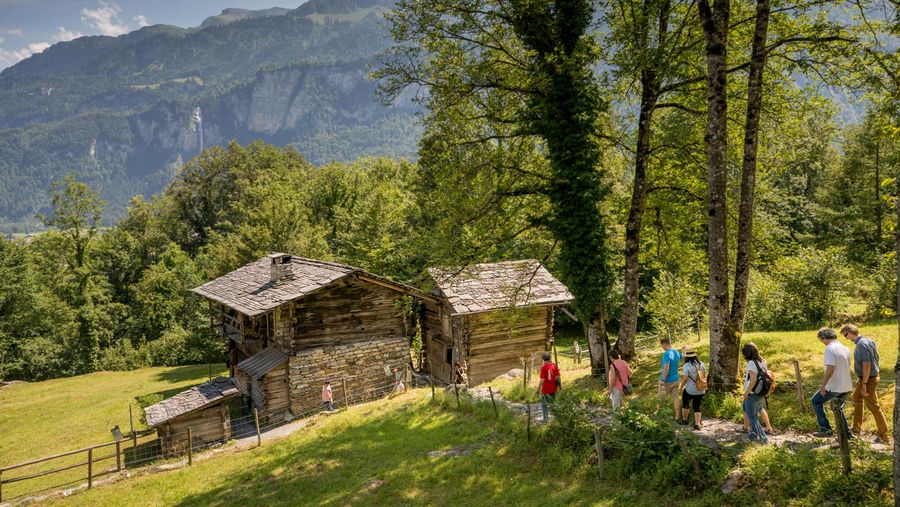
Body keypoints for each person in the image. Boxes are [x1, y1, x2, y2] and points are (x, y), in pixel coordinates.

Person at [841, 324, 889, 443]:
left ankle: (883, 435)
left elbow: (866, 365)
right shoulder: (868, 340)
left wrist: (864, 384)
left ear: (851, 332)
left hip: (868, 379)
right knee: (857, 397)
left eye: (846, 335)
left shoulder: (861, 345)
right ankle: (856, 429)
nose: (846, 338)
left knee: (873, 405)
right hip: (867, 377)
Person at [811, 327, 854, 438]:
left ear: (823, 338)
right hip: (846, 384)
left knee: (816, 401)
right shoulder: (845, 348)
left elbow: (830, 370)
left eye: (821, 340)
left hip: (834, 385)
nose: (822, 343)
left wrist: (823, 386)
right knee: (838, 408)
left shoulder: (830, 349)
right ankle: (847, 434)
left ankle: (825, 429)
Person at [741, 342, 768, 444]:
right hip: (760, 392)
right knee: (745, 407)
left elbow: (753, 379)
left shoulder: (751, 363)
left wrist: (747, 392)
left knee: (752, 417)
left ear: (747, 354)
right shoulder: (762, 361)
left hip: (752, 393)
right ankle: (753, 433)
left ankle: (763, 439)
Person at [678, 347, 707, 430]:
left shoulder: (686, 365)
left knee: (685, 403)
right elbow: (703, 376)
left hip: (690, 389)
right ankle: (697, 423)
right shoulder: (702, 364)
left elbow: (685, 379)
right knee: (697, 406)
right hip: (701, 389)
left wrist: (680, 388)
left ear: (687, 356)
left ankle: (684, 420)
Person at [657, 338, 682, 422]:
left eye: (662, 346)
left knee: (661, 398)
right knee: (675, 397)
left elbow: (666, 367)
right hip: (676, 379)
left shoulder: (666, 354)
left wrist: (663, 379)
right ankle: (677, 416)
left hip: (667, 380)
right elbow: (682, 356)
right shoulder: (676, 352)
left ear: (665, 345)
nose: (662, 348)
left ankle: (660, 416)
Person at [537, 352, 561, 423]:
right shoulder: (554, 365)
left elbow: (542, 380)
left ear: (543, 359)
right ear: (550, 358)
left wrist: (538, 389)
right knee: (553, 403)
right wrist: (559, 386)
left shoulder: (543, 368)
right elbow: (558, 377)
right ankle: (558, 418)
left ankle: (545, 420)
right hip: (553, 388)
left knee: (544, 405)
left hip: (545, 389)